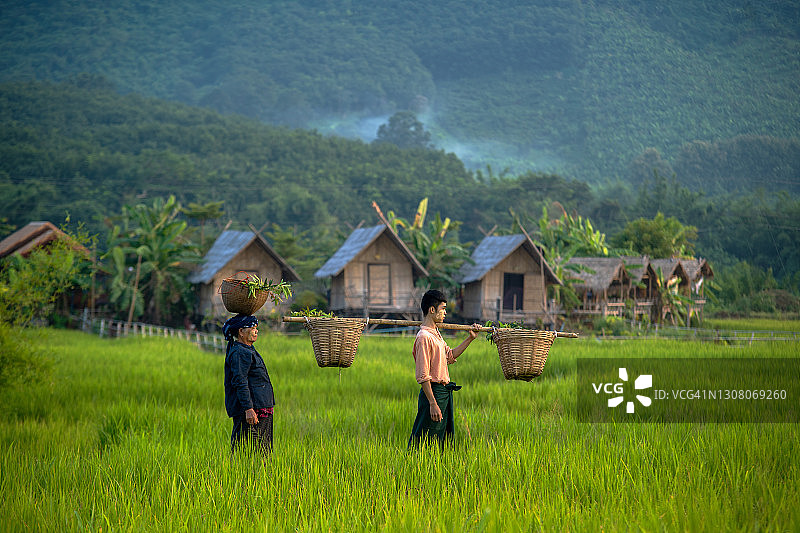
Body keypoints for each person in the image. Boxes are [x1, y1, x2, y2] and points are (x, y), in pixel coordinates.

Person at [408, 289, 481, 449]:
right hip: (432, 394)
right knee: (425, 442)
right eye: (443, 309)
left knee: (441, 442)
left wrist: (470, 338)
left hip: (443, 394)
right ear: (432, 310)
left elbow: (449, 356)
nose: (445, 313)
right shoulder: (424, 337)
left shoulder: (436, 334)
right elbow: (423, 375)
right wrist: (433, 403)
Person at [223, 314, 274, 455]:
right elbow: (240, 381)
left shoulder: (248, 349)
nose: (256, 331)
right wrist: (248, 409)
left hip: (260, 407)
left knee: (262, 449)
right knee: (247, 451)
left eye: (256, 328)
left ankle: (260, 476)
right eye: (252, 328)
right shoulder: (240, 352)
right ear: (241, 332)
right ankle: (243, 476)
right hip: (252, 411)